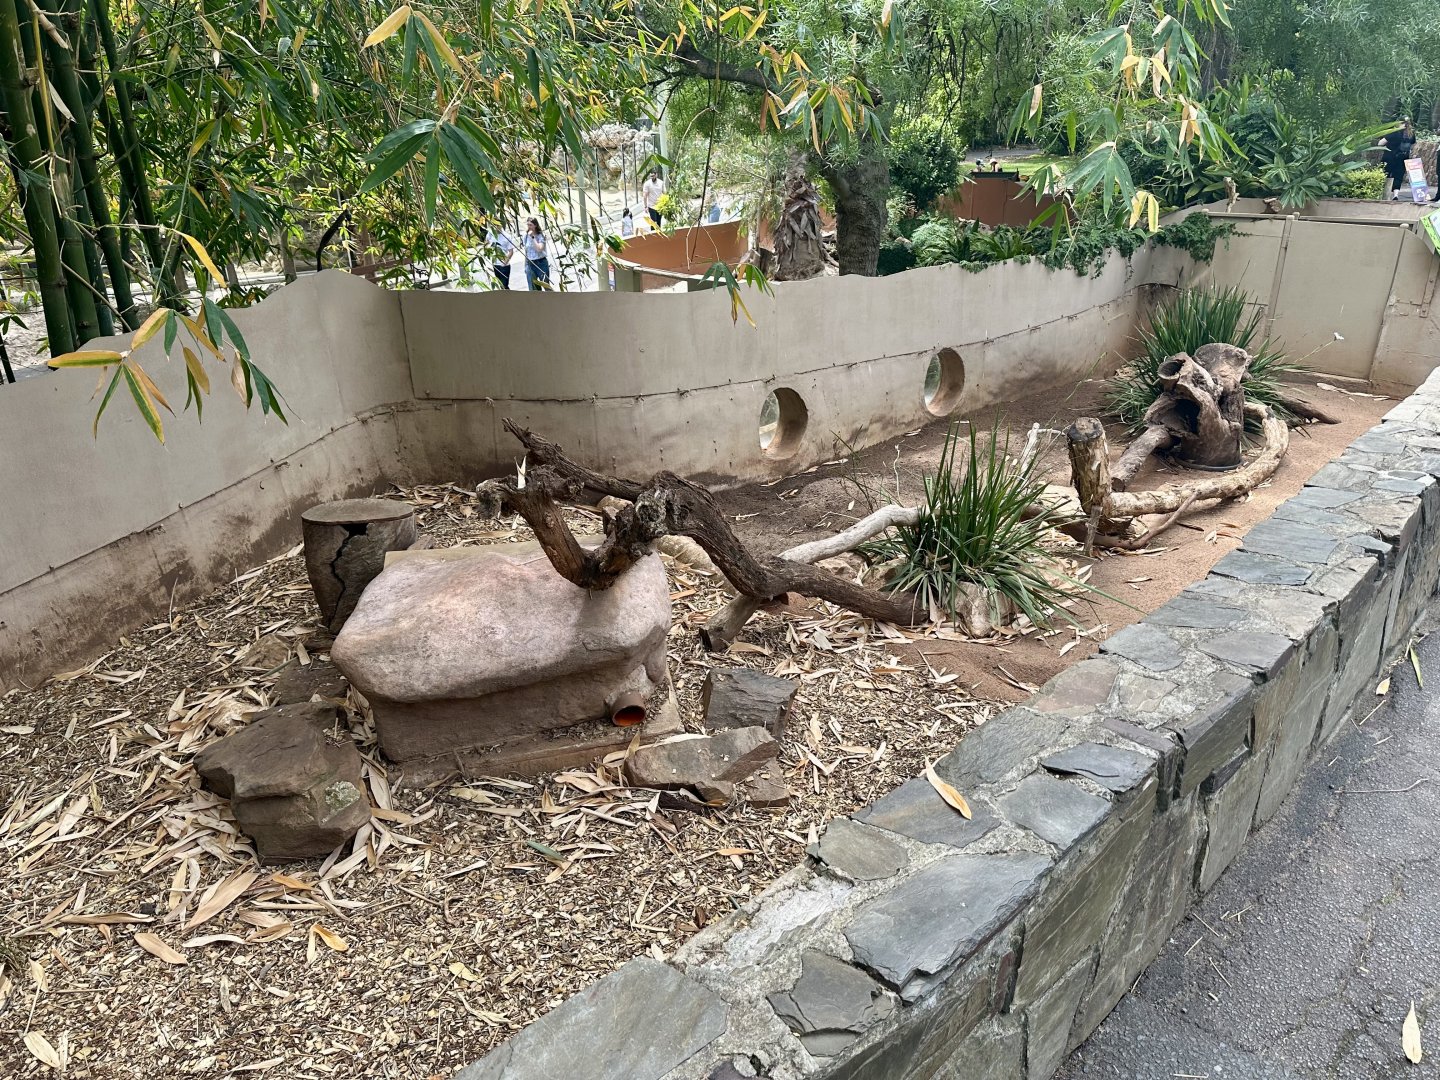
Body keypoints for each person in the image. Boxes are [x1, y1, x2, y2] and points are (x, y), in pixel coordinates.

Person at [1382, 117, 1416, 201]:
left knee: (1385, 174)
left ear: (1399, 122)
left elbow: (1380, 143)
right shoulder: (1411, 134)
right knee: (1398, 176)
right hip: (1403, 158)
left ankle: (1385, 195)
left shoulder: (1394, 132)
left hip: (1389, 157)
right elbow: (1413, 144)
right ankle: (1395, 195)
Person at [523, 218, 550, 290]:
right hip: (530, 263)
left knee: (546, 285)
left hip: (541, 262)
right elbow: (526, 251)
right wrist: (525, 265)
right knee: (533, 287)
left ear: (535, 225)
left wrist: (533, 237)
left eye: (531, 225)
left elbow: (539, 249)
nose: (529, 227)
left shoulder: (541, 235)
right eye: (528, 225)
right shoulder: (525, 236)